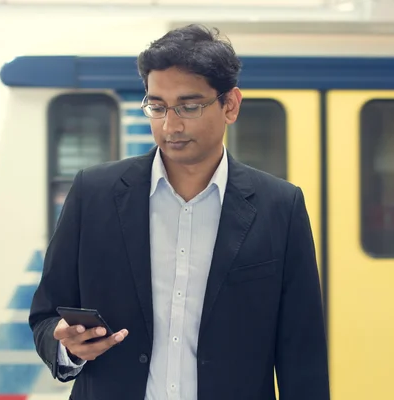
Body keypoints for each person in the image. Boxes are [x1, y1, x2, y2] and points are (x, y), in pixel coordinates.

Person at [29, 24, 330, 400]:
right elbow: (45, 316)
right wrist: (67, 347)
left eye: (189, 106)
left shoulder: (280, 207)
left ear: (230, 105)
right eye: (157, 106)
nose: (170, 125)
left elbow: (302, 354)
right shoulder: (95, 193)